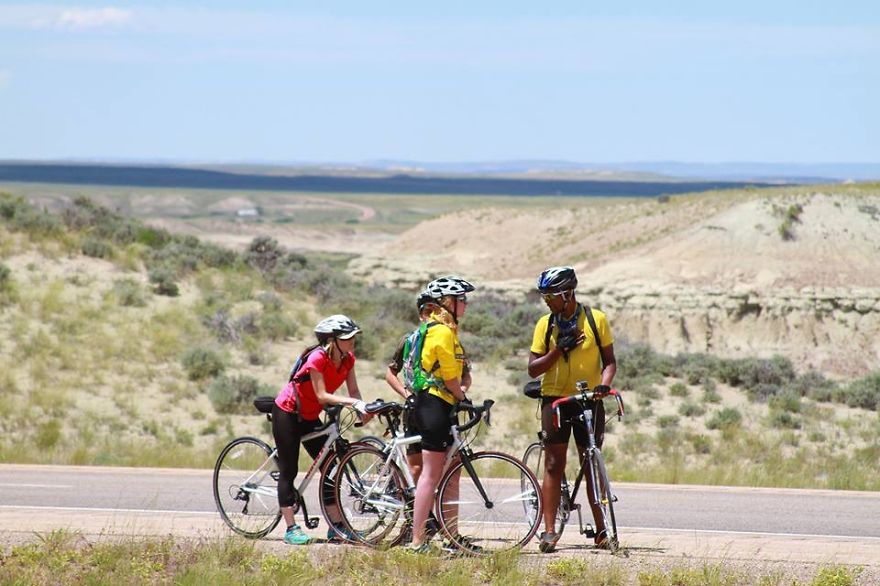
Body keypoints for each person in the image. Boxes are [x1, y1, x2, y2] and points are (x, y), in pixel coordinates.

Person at [527, 266, 617, 552]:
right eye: (544, 296)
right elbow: (533, 369)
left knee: (591, 464)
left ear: (567, 294)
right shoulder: (545, 325)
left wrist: (604, 384)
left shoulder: (596, 319)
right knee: (554, 465)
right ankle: (549, 531)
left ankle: (602, 530)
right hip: (554, 401)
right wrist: (558, 350)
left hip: (589, 399)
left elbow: (610, 362)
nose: (547, 301)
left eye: (551, 296)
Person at [272, 314, 371, 545]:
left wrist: (362, 408)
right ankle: (290, 529)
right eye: (347, 338)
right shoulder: (317, 358)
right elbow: (322, 395)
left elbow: (354, 390)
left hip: (308, 415)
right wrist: (351, 402)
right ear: (332, 341)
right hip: (287, 412)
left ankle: (336, 527)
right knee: (289, 470)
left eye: (354, 336)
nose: (352, 341)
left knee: (331, 469)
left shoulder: (348, 359)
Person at [408, 276, 475, 553]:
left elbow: (458, 374)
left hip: (438, 405)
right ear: (449, 303)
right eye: (462, 300)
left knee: (451, 471)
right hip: (434, 405)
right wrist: (466, 400)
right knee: (430, 476)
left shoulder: (444, 330)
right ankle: (417, 541)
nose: (466, 305)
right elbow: (450, 380)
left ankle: (451, 534)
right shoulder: (442, 333)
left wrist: (461, 391)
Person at [385, 290, 473, 483]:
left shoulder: (450, 338)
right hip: (418, 407)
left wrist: (461, 393)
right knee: (417, 468)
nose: (427, 313)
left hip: (447, 405)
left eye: (430, 308)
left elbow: (466, 376)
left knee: (452, 468)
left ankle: (442, 513)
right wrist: (407, 394)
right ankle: (414, 510)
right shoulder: (410, 340)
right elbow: (390, 373)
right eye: (424, 310)